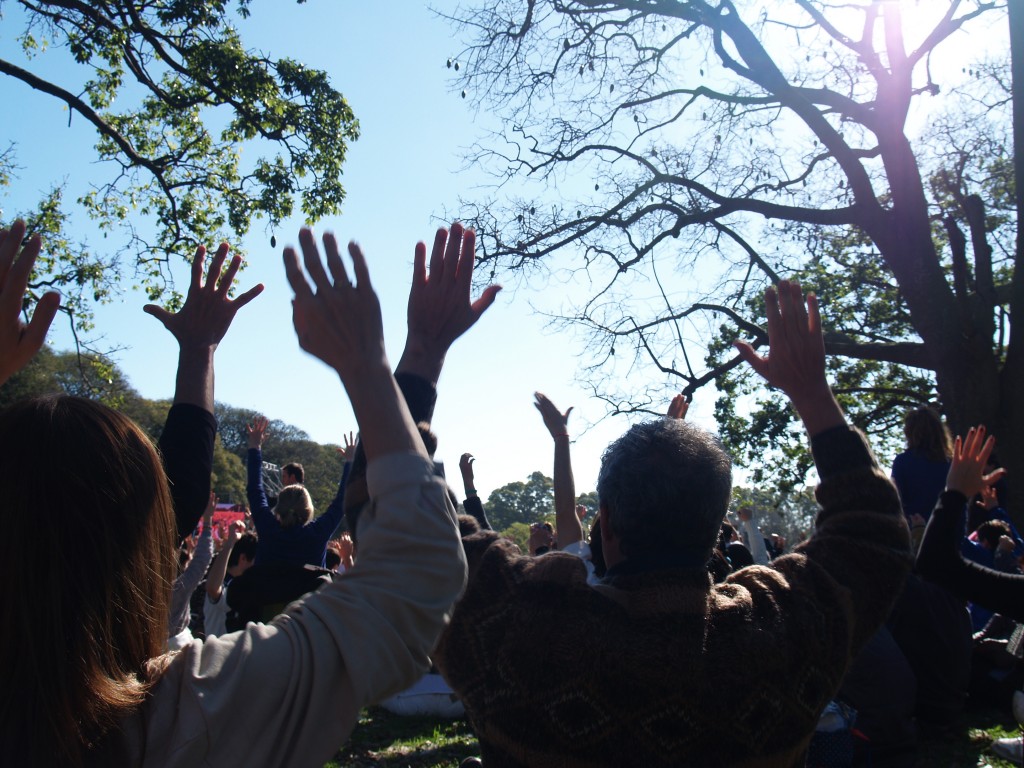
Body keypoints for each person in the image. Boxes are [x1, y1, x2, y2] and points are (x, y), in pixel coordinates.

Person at [1, 222, 467, 767]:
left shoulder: (264, 530)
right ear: (155, 539)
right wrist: (382, 363)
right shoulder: (195, 707)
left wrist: (218, 390)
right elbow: (411, 575)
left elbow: (218, 495)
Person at [435, 281, 913, 766]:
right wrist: (813, 393)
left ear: (606, 527)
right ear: (714, 529)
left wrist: (420, 358)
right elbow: (872, 536)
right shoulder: (783, 638)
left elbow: (404, 523)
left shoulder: (525, 634)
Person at [245, 414, 349, 568]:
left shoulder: (268, 528)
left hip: (267, 591)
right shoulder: (317, 533)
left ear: (279, 507)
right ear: (308, 510)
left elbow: (255, 489)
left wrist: (255, 447)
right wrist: (350, 463)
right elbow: (341, 502)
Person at [891, 406, 952, 523]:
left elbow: (895, 500)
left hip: (915, 527)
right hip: (948, 527)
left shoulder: (903, 462)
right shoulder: (951, 463)